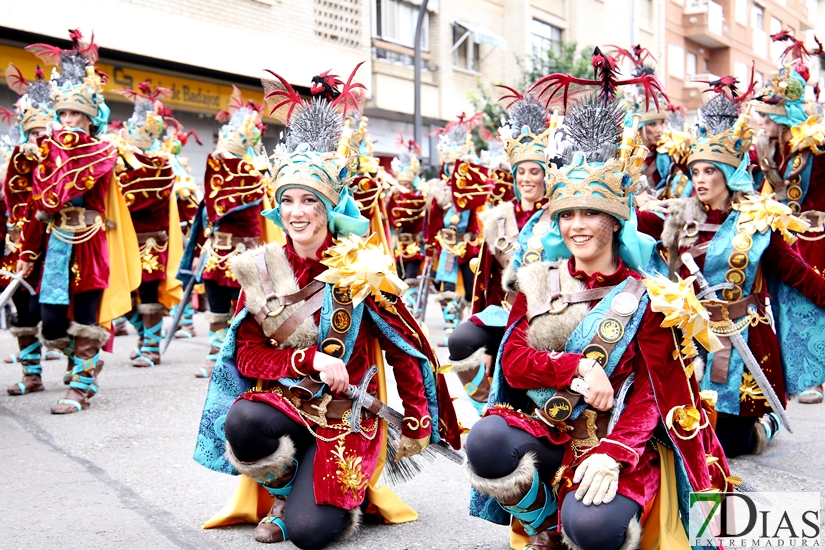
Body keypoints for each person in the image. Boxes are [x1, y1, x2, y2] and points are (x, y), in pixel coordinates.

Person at [464, 57, 731, 550]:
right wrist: (578, 369)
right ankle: (542, 519)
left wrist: (616, 450)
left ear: (615, 221)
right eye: (567, 214)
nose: (578, 225)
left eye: (591, 213)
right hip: (550, 428)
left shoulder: (649, 295)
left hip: (615, 438)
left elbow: (658, 390)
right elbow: (516, 363)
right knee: (485, 441)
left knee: (591, 530)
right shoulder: (540, 279)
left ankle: (580, 517)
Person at [193, 65, 460, 549]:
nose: (296, 212)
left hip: (345, 415)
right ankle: (285, 490)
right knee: (242, 421)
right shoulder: (262, 267)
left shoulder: (361, 269)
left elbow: (407, 349)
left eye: (309, 202)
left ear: (329, 207)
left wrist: (419, 420)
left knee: (310, 535)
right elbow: (247, 355)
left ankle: (330, 497)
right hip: (285, 406)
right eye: (287, 200)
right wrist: (307, 358)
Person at [638, 87, 825, 457]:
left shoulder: (756, 221)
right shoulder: (676, 216)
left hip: (743, 345)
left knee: (731, 443)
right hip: (687, 343)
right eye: (695, 171)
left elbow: (798, 274)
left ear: (728, 172)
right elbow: (625, 228)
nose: (701, 179)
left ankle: (766, 422)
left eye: (710, 170)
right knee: (674, 434)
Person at [18, 30, 139, 414]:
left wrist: (56, 157)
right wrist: (26, 252)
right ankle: (86, 364)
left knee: (86, 317)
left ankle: (80, 386)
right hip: (55, 242)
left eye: (76, 114)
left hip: (89, 243)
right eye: (64, 114)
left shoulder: (104, 151)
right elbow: (40, 206)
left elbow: (69, 185)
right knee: (50, 322)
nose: (68, 121)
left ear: (90, 118)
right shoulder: (46, 152)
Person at [447, 90, 558, 414]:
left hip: (542, 315)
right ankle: (484, 400)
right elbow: (487, 282)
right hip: (503, 311)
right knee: (459, 341)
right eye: (521, 172)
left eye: (534, 171)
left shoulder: (557, 216)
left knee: (518, 388)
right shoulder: (497, 217)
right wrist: (479, 320)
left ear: (545, 175)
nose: (526, 178)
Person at [750, 45, 825, 404]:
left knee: (814, 304)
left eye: (768, 116)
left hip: (819, 237)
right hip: (784, 237)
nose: (762, 123)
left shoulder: (817, 145)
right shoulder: (766, 151)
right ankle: (805, 378)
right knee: (790, 310)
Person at [180, 86, 269, 379]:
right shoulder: (219, 173)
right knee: (216, 308)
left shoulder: (252, 174)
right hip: (217, 252)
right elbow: (207, 216)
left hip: (244, 254)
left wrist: (225, 161)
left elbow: (222, 204)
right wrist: (197, 251)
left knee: (241, 310)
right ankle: (216, 355)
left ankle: (241, 358)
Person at [113, 82, 184, 367]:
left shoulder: (163, 166)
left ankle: (151, 346)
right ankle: (144, 335)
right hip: (122, 241)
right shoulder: (118, 163)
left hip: (152, 243)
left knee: (150, 295)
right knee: (125, 294)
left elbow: (138, 202)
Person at [1, 63, 61, 395]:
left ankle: (79, 368)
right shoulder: (14, 160)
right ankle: (32, 374)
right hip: (18, 247)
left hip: (56, 244)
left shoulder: (62, 158)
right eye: (34, 133)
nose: (39, 138)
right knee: (23, 312)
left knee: (53, 312)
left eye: (43, 132)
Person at [427, 114, 489, 345]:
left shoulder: (475, 191)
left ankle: (474, 328)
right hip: (447, 247)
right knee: (448, 288)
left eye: (458, 164)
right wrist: (430, 251)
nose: (454, 169)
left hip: (471, 246)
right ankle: (451, 327)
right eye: (451, 164)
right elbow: (432, 226)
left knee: (473, 287)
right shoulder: (438, 192)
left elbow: (481, 217)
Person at [386, 136, 426, 314]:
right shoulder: (393, 197)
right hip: (397, 245)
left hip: (414, 246)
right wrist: (389, 198)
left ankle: (410, 309)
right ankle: (400, 311)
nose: (403, 187)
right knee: (398, 278)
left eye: (406, 185)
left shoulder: (419, 198)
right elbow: (388, 217)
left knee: (411, 279)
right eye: (401, 184)